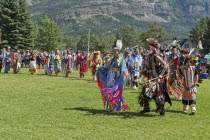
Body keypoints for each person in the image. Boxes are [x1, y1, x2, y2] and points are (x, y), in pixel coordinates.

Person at [139, 42, 171, 116]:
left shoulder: (156, 56)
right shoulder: (149, 57)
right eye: (149, 47)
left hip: (157, 79)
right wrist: (144, 71)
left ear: (155, 48)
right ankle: (146, 108)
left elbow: (165, 65)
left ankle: (162, 111)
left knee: (158, 95)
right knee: (145, 93)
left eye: (151, 47)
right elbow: (148, 67)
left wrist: (161, 75)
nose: (150, 48)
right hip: (150, 78)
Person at [97, 40, 130, 111]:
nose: (114, 53)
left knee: (117, 91)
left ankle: (119, 106)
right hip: (110, 77)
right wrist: (99, 68)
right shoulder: (112, 60)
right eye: (113, 52)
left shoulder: (121, 60)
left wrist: (123, 77)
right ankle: (110, 107)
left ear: (119, 52)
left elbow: (124, 70)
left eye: (115, 52)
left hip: (117, 78)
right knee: (109, 91)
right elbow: (106, 67)